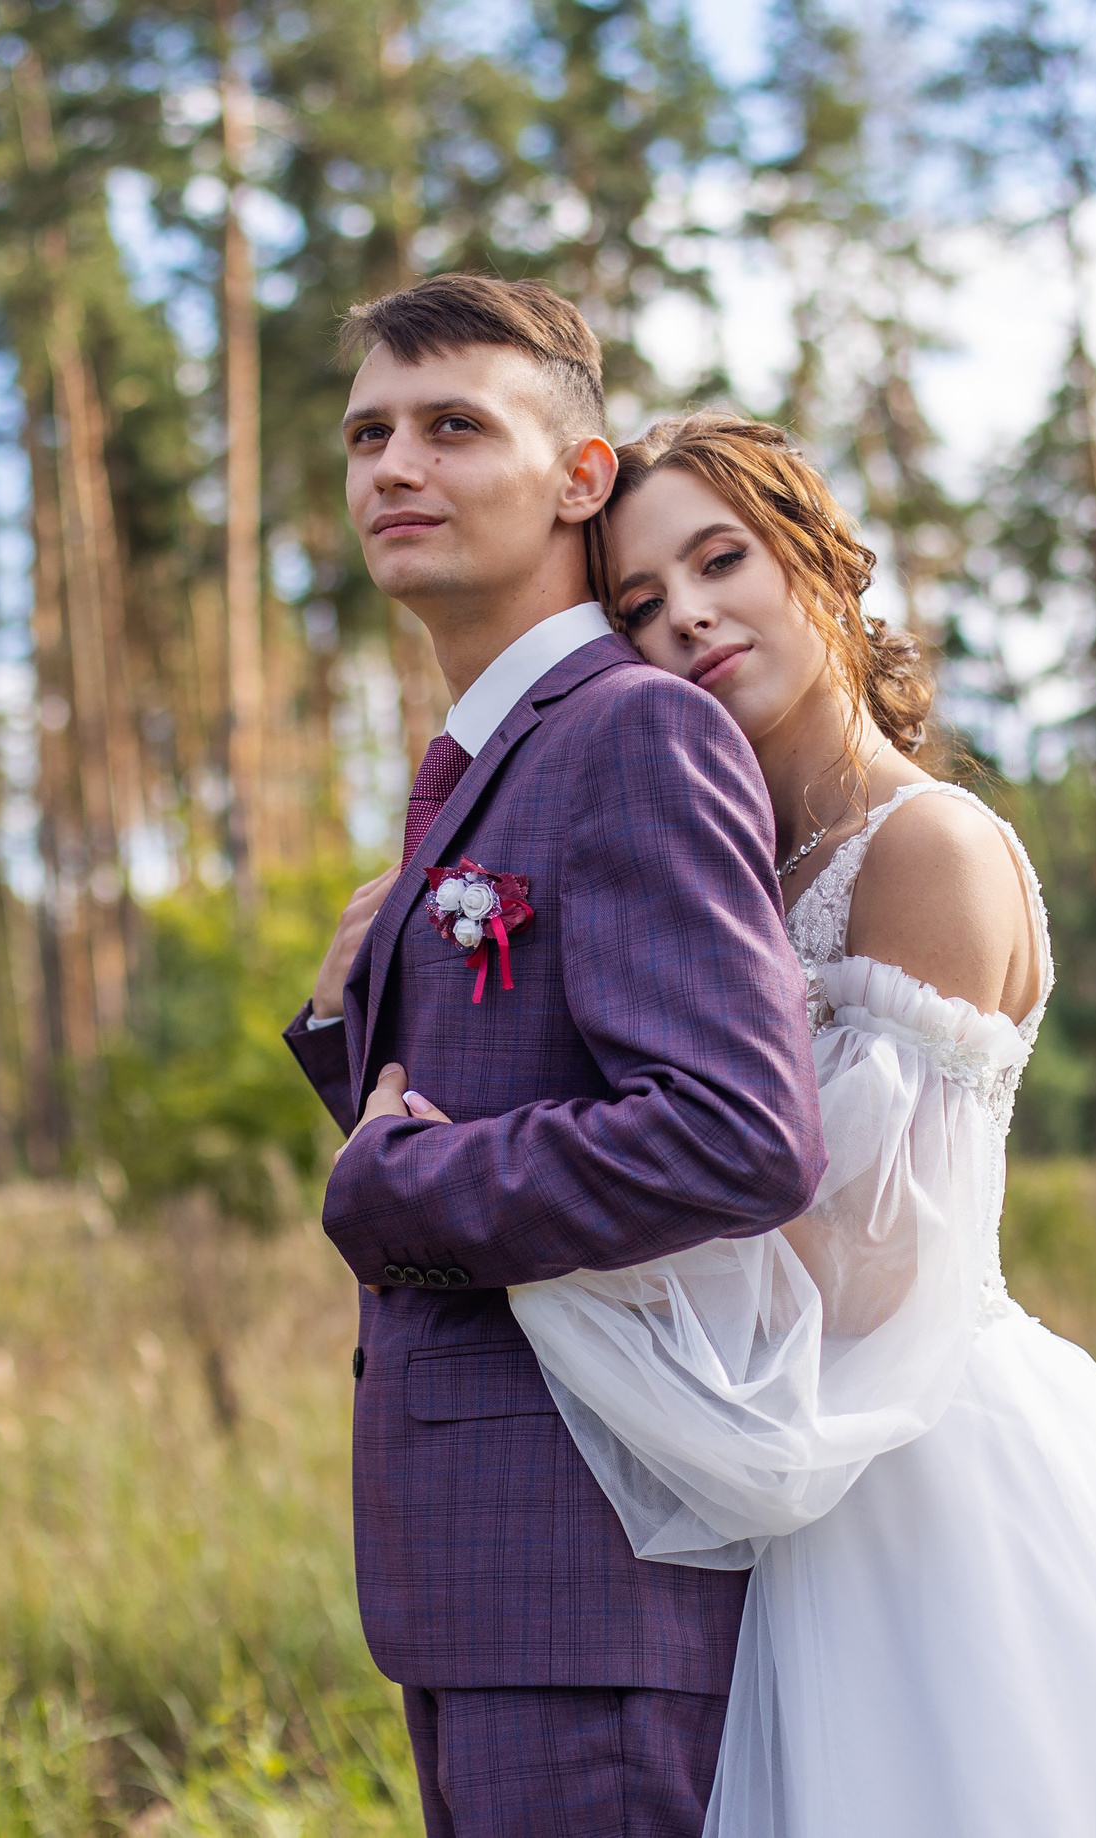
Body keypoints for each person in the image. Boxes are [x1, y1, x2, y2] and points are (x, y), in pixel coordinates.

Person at [505, 411, 1096, 1836]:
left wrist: (526, 1219)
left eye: (724, 559)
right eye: (641, 605)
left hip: (923, 1472)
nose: (690, 617)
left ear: (823, 567)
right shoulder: (740, 871)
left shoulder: (930, 848)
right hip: (791, 1468)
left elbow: (863, 1270)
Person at [285, 278, 827, 1836]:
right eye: (369, 433)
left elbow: (739, 1132)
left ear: (582, 476)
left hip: (591, 1577)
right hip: (483, 1581)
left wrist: (396, 1183)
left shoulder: (632, 731)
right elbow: (522, 1078)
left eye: (456, 426)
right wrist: (352, 1032)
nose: (396, 465)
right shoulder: (484, 761)